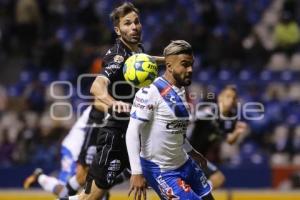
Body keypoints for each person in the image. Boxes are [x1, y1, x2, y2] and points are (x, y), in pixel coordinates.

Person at [65, 2, 164, 200]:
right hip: (116, 136)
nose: (134, 27)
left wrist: (167, 59)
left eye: (136, 22)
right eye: (127, 24)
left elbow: (145, 59)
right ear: (118, 30)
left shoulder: (137, 52)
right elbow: (97, 86)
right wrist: (113, 103)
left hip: (137, 133)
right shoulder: (117, 56)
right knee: (91, 196)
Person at [126, 40, 214, 200]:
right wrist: (136, 171)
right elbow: (132, 131)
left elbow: (175, 130)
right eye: (185, 64)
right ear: (169, 66)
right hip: (161, 171)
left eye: (191, 64)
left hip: (185, 163)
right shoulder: (150, 92)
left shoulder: (180, 90)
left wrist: (191, 151)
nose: (190, 70)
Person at [188, 85, 248, 189]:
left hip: (200, 157)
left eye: (233, 98)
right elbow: (190, 118)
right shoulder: (210, 110)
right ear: (220, 97)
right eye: (228, 96)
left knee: (214, 180)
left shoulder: (230, 118)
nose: (230, 100)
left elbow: (229, 140)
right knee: (217, 178)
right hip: (189, 153)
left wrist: (237, 132)